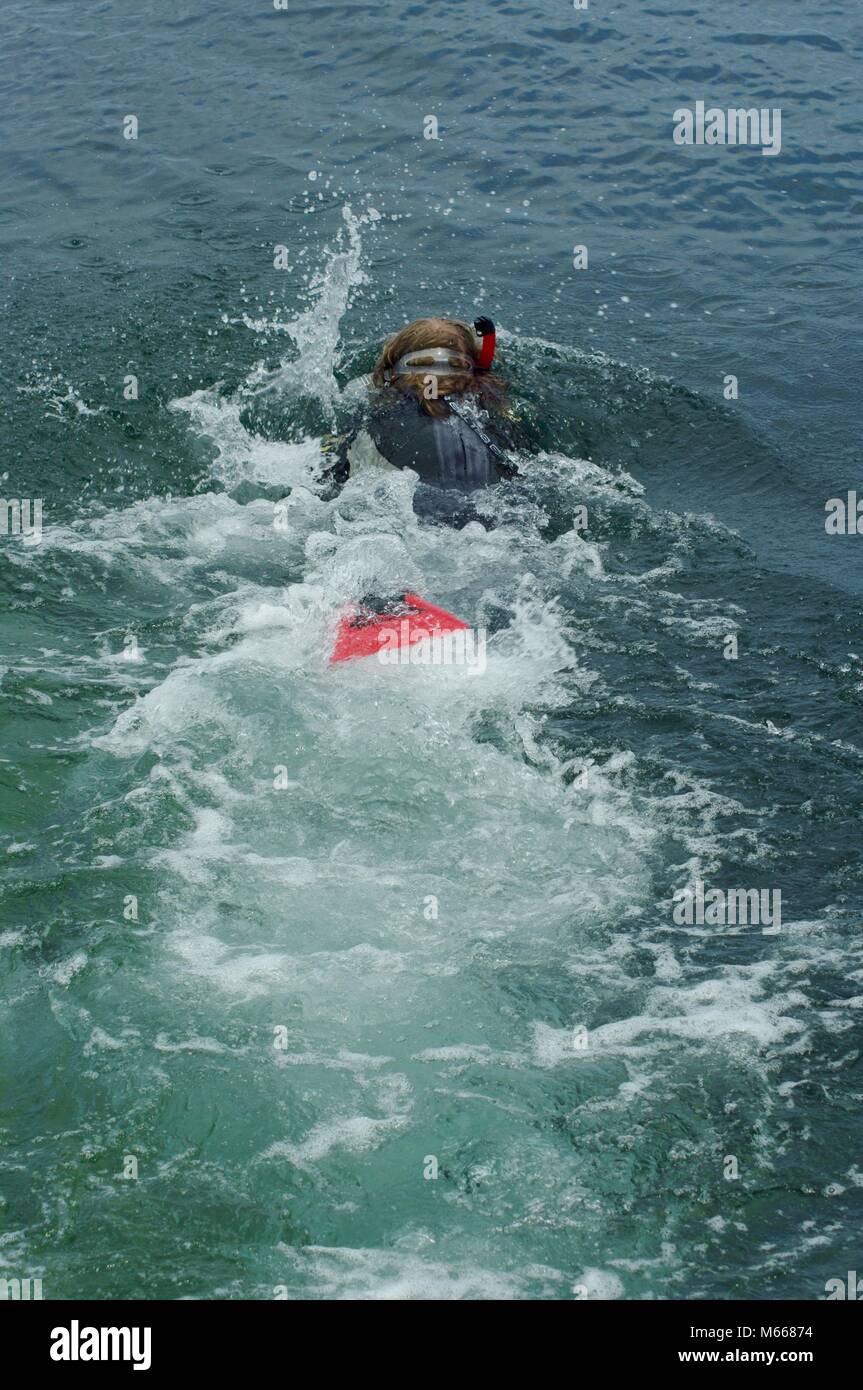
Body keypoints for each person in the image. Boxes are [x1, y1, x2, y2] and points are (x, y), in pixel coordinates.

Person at [319, 316, 528, 512]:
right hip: (491, 509)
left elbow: (329, 476)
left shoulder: (374, 408)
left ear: (393, 365)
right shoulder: (491, 407)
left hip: (404, 512)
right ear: (472, 366)